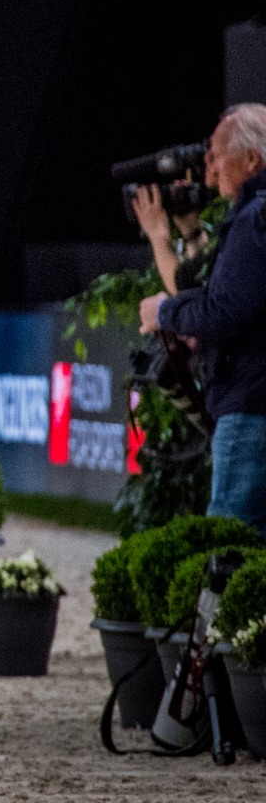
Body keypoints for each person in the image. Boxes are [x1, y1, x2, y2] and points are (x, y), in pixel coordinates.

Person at [140, 104, 266, 530]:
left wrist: (165, 311)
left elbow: (225, 310)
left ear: (252, 160)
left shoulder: (254, 218)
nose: (208, 171)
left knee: (229, 544)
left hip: (251, 405)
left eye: (217, 157)